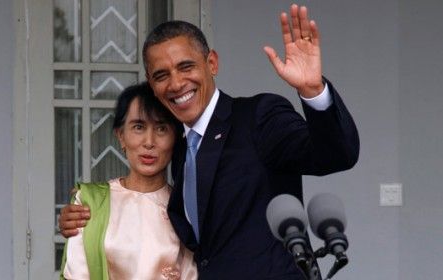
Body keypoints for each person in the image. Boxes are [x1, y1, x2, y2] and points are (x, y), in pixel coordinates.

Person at [59, 4, 359, 279]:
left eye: (186, 67)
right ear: (152, 84)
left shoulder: (258, 116)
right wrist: (85, 218)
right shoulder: (177, 148)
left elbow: (335, 155)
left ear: (211, 63)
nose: (176, 83)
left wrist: (313, 91)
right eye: (162, 75)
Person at [59, 82, 197, 280]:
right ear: (121, 136)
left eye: (162, 128)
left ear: (175, 138)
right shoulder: (90, 202)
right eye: (139, 127)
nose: (149, 142)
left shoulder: (187, 209)